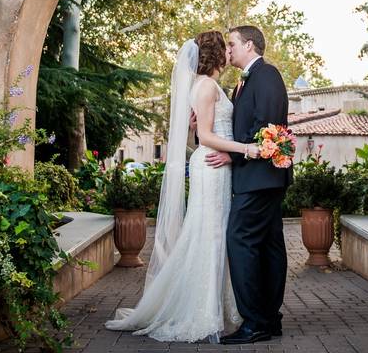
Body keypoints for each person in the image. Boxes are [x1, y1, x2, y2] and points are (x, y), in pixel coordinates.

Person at [104, 31, 260, 343]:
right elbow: (204, 137)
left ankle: (212, 306)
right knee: (210, 235)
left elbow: (204, 128)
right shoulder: (205, 86)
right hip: (211, 167)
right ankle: (202, 311)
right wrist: (246, 150)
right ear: (217, 55)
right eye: (226, 48)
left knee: (213, 235)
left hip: (218, 167)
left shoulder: (210, 85)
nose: (231, 52)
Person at [215, 25, 290, 345]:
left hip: (261, 176)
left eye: (231, 43)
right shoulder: (243, 83)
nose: (227, 49)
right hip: (260, 177)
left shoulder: (267, 74)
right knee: (268, 244)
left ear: (249, 45)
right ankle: (269, 319)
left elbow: (268, 125)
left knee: (239, 240)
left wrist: (238, 156)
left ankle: (255, 321)